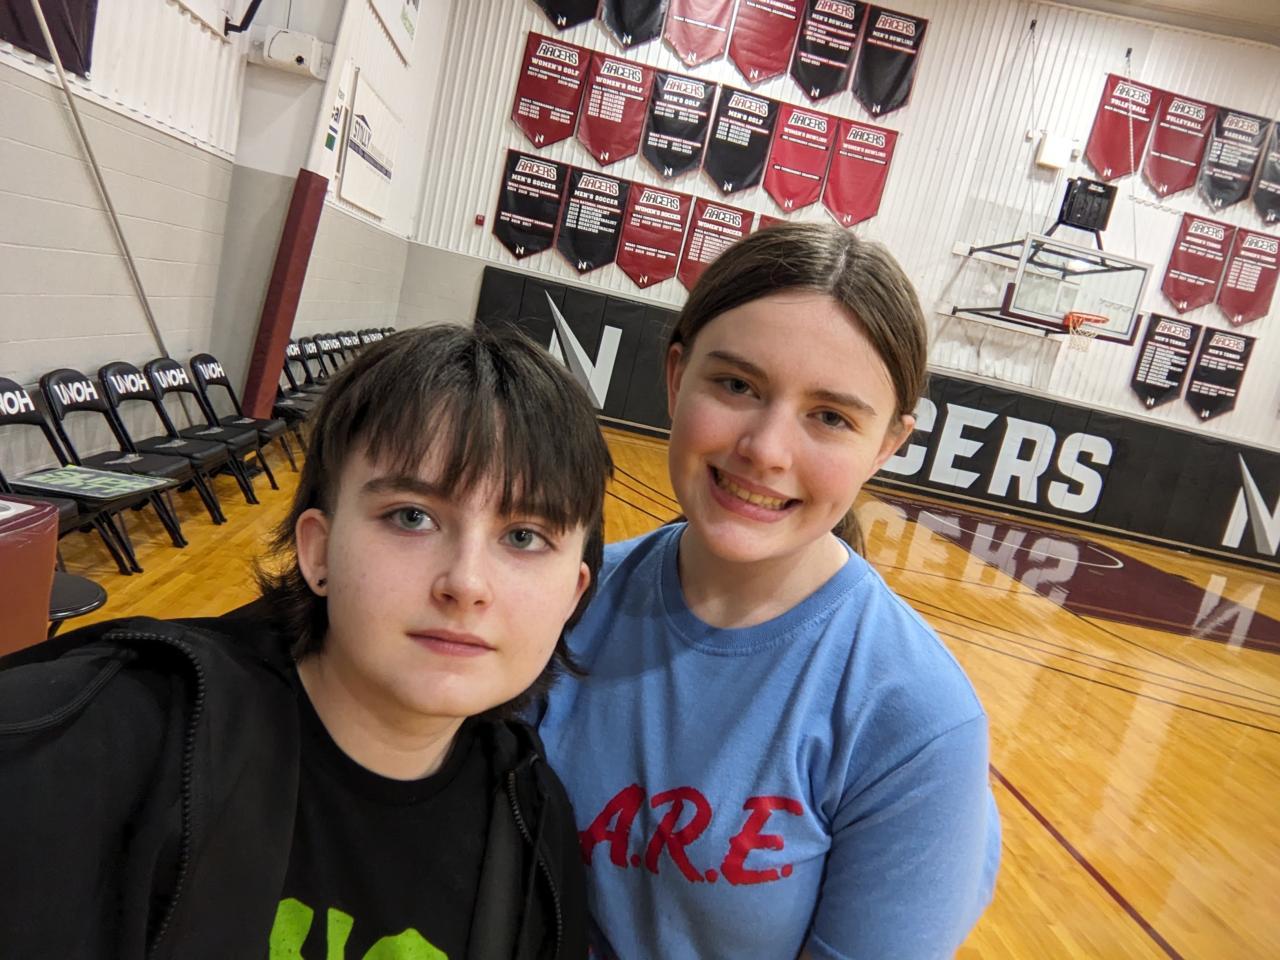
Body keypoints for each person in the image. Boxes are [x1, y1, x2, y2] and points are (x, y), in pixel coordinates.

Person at [0, 324, 612, 959]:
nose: (466, 583)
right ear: (317, 550)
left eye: (524, 537)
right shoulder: (117, 739)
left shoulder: (536, 833)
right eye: (412, 517)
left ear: (572, 594)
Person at [538, 223, 1001, 959]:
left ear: (886, 446)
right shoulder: (560, 601)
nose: (765, 449)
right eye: (736, 385)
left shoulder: (917, 720)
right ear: (676, 377)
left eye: (830, 417)